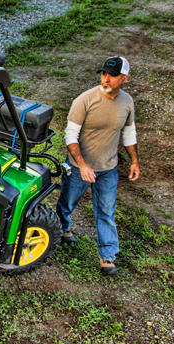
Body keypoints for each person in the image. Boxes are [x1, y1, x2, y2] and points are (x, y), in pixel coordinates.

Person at [56, 56, 140, 276]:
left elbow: (128, 132)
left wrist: (134, 161)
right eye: (104, 74)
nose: (106, 79)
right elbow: (70, 135)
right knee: (68, 202)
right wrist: (82, 165)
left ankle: (107, 257)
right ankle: (62, 229)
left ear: (124, 79)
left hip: (108, 167)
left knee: (105, 212)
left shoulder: (127, 102)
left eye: (111, 76)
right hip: (78, 167)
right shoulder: (84, 100)